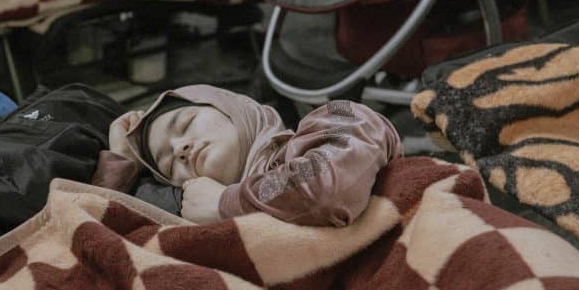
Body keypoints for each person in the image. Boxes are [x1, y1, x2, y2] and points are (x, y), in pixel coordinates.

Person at [101, 85, 401, 225]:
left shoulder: (338, 116)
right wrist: (121, 162)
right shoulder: (198, 222)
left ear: (236, 108)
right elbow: (105, 238)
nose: (180, 148)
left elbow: (322, 186)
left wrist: (226, 202)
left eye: (186, 123)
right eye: (167, 162)